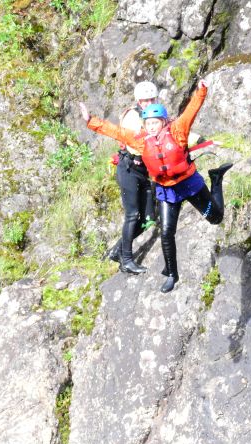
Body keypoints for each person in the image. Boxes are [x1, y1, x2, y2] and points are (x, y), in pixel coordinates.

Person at [80, 79, 232, 293]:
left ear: (163, 121)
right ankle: (171, 274)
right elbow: (116, 132)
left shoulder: (177, 131)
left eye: (155, 123)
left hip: (190, 185)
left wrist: (202, 89)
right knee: (167, 232)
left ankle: (216, 179)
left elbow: (191, 110)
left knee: (216, 218)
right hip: (167, 191)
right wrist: (90, 121)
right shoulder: (142, 141)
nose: (152, 127)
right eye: (148, 124)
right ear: (145, 125)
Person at [104, 81, 159, 274]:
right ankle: (126, 260)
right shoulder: (132, 116)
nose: (148, 103)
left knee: (148, 218)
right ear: (138, 101)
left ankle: (117, 250)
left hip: (143, 172)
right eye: (145, 100)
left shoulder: (156, 116)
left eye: (151, 99)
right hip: (128, 168)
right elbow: (135, 141)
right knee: (133, 215)